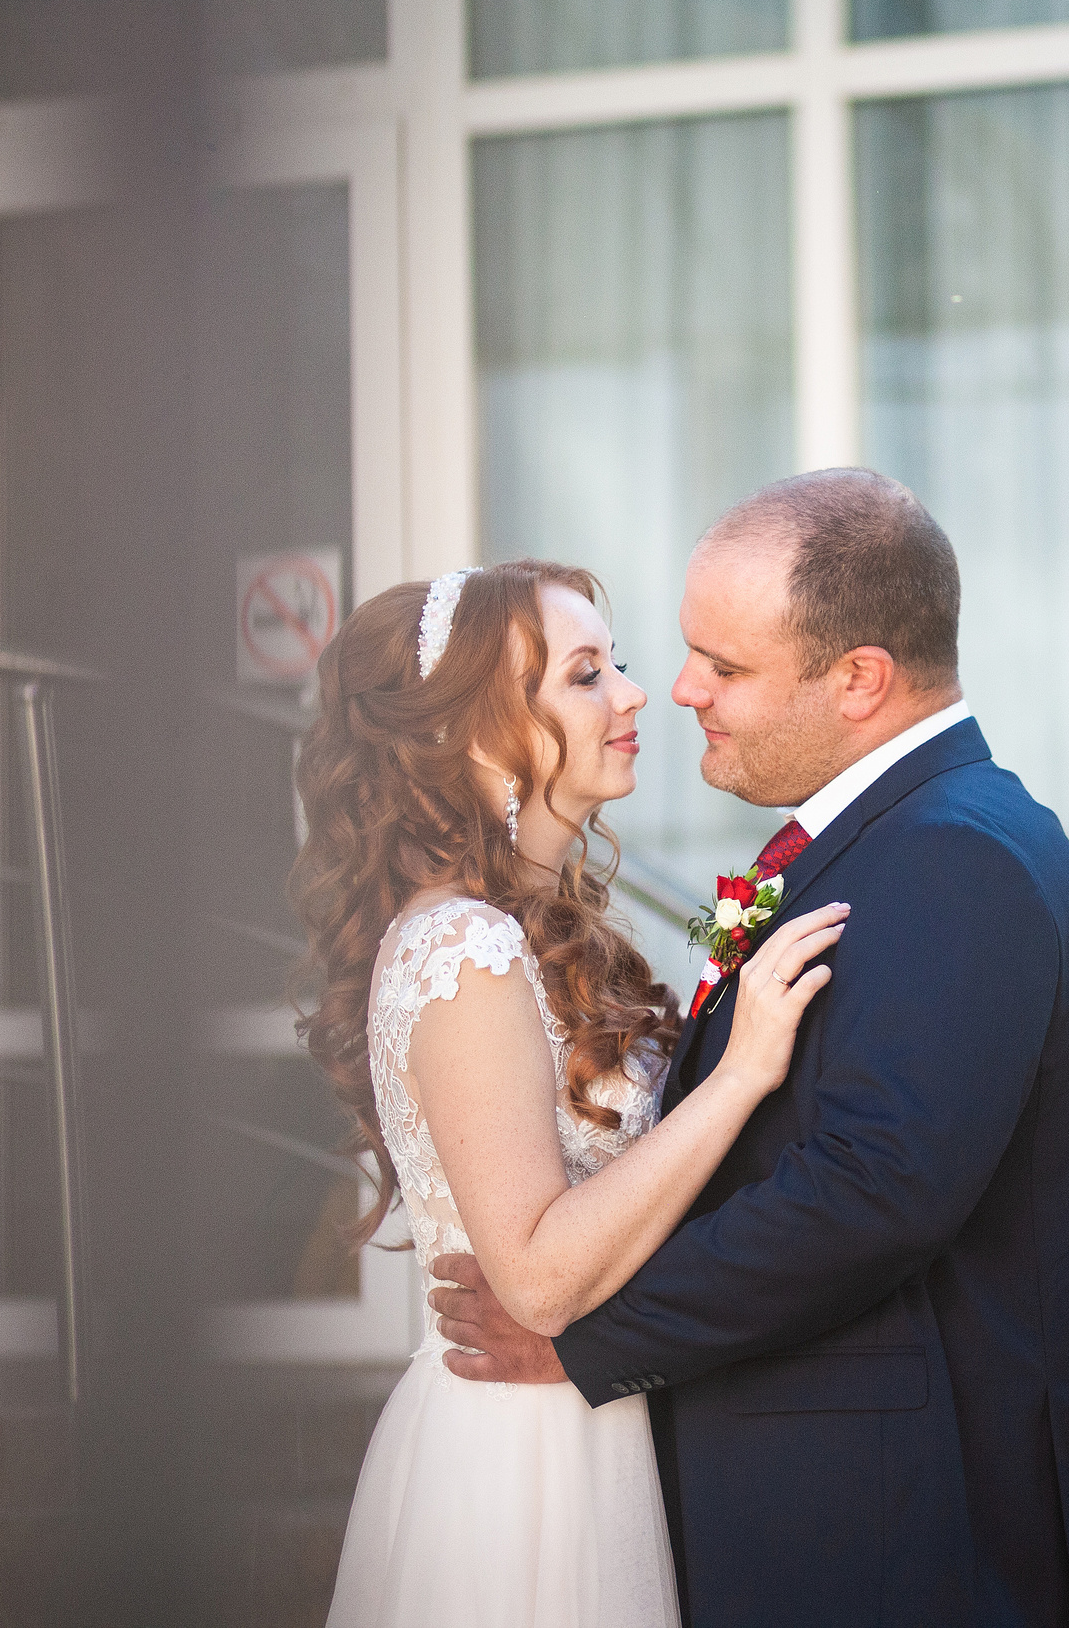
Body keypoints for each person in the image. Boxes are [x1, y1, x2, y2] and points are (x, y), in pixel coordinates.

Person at [434, 470, 1069, 1627]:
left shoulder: (953, 860)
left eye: (724, 667)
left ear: (859, 679)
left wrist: (586, 1344)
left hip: (909, 1535)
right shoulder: (887, 842)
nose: (678, 692)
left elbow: (871, 1192)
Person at [294, 558, 847, 1628]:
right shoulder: (462, 947)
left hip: (590, 1426)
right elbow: (539, 1282)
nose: (637, 694)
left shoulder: (541, 935)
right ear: (478, 734)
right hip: (519, 1465)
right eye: (586, 675)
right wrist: (738, 1079)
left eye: (616, 665)